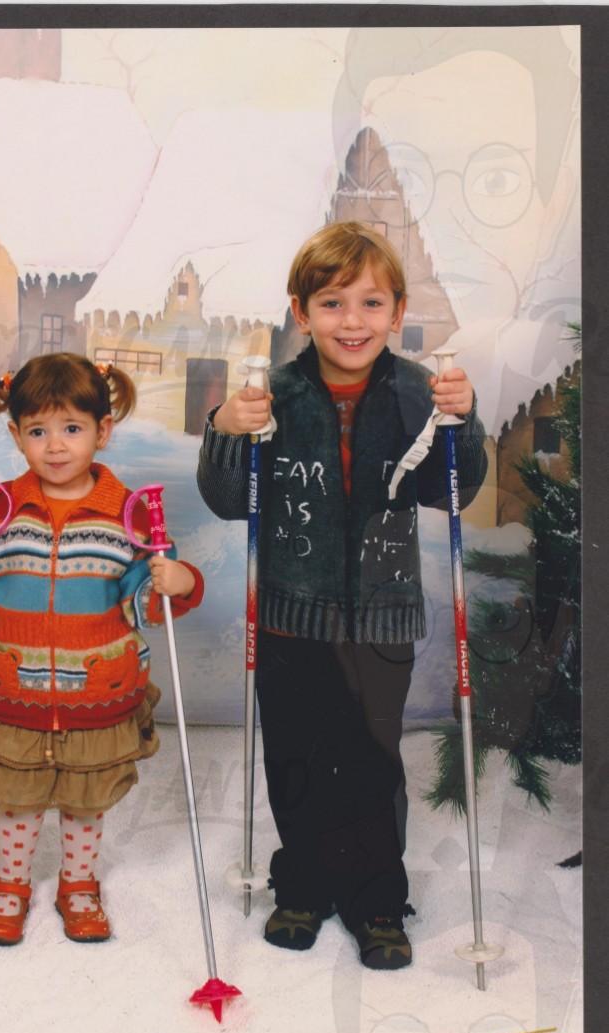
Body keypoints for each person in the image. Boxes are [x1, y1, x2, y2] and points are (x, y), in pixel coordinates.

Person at [197, 221, 486, 969]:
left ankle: (375, 898)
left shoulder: (417, 390)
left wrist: (461, 422)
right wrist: (226, 428)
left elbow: (450, 490)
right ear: (301, 312)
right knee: (296, 758)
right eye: (331, 303)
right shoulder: (275, 393)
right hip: (290, 616)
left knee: (370, 763)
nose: (351, 321)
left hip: (382, 617)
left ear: (397, 312)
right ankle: (303, 884)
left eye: (370, 303)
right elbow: (228, 500)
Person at [0, 352, 203, 946]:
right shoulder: (2, 512)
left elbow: (145, 603)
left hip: (96, 692)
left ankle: (79, 884)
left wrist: (177, 582)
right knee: (17, 800)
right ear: (16, 435)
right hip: (16, 688)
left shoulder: (127, 518)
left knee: (84, 799)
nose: (55, 446)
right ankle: (11, 884)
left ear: (103, 430)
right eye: (38, 431)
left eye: (72, 428)